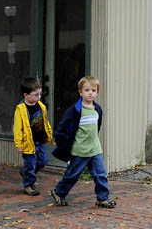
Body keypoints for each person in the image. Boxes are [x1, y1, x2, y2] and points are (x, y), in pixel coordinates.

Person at [50, 76, 116, 209]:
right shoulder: (74, 110)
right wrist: (63, 143)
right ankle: (59, 192)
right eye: (87, 90)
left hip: (95, 149)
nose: (90, 93)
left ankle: (103, 198)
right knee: (72, 175)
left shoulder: (97, 109)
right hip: (80, 150)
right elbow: (62, 129)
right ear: (80, 92)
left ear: (97, 92)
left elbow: (96, 127)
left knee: (101, 174)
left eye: (93, 90)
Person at [13, 77, 52, 196]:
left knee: (43, 160)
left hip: (40, 140)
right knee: (30, 164)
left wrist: (49, 133)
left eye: (40, 94)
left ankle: (26, 173)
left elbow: (45, 121)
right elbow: (17, 128)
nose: (39, 97)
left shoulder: (41, 106)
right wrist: (19, 144)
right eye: (35, 95)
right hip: (28, 142)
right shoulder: (21, 109)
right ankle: (28, 185)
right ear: (26, 95)